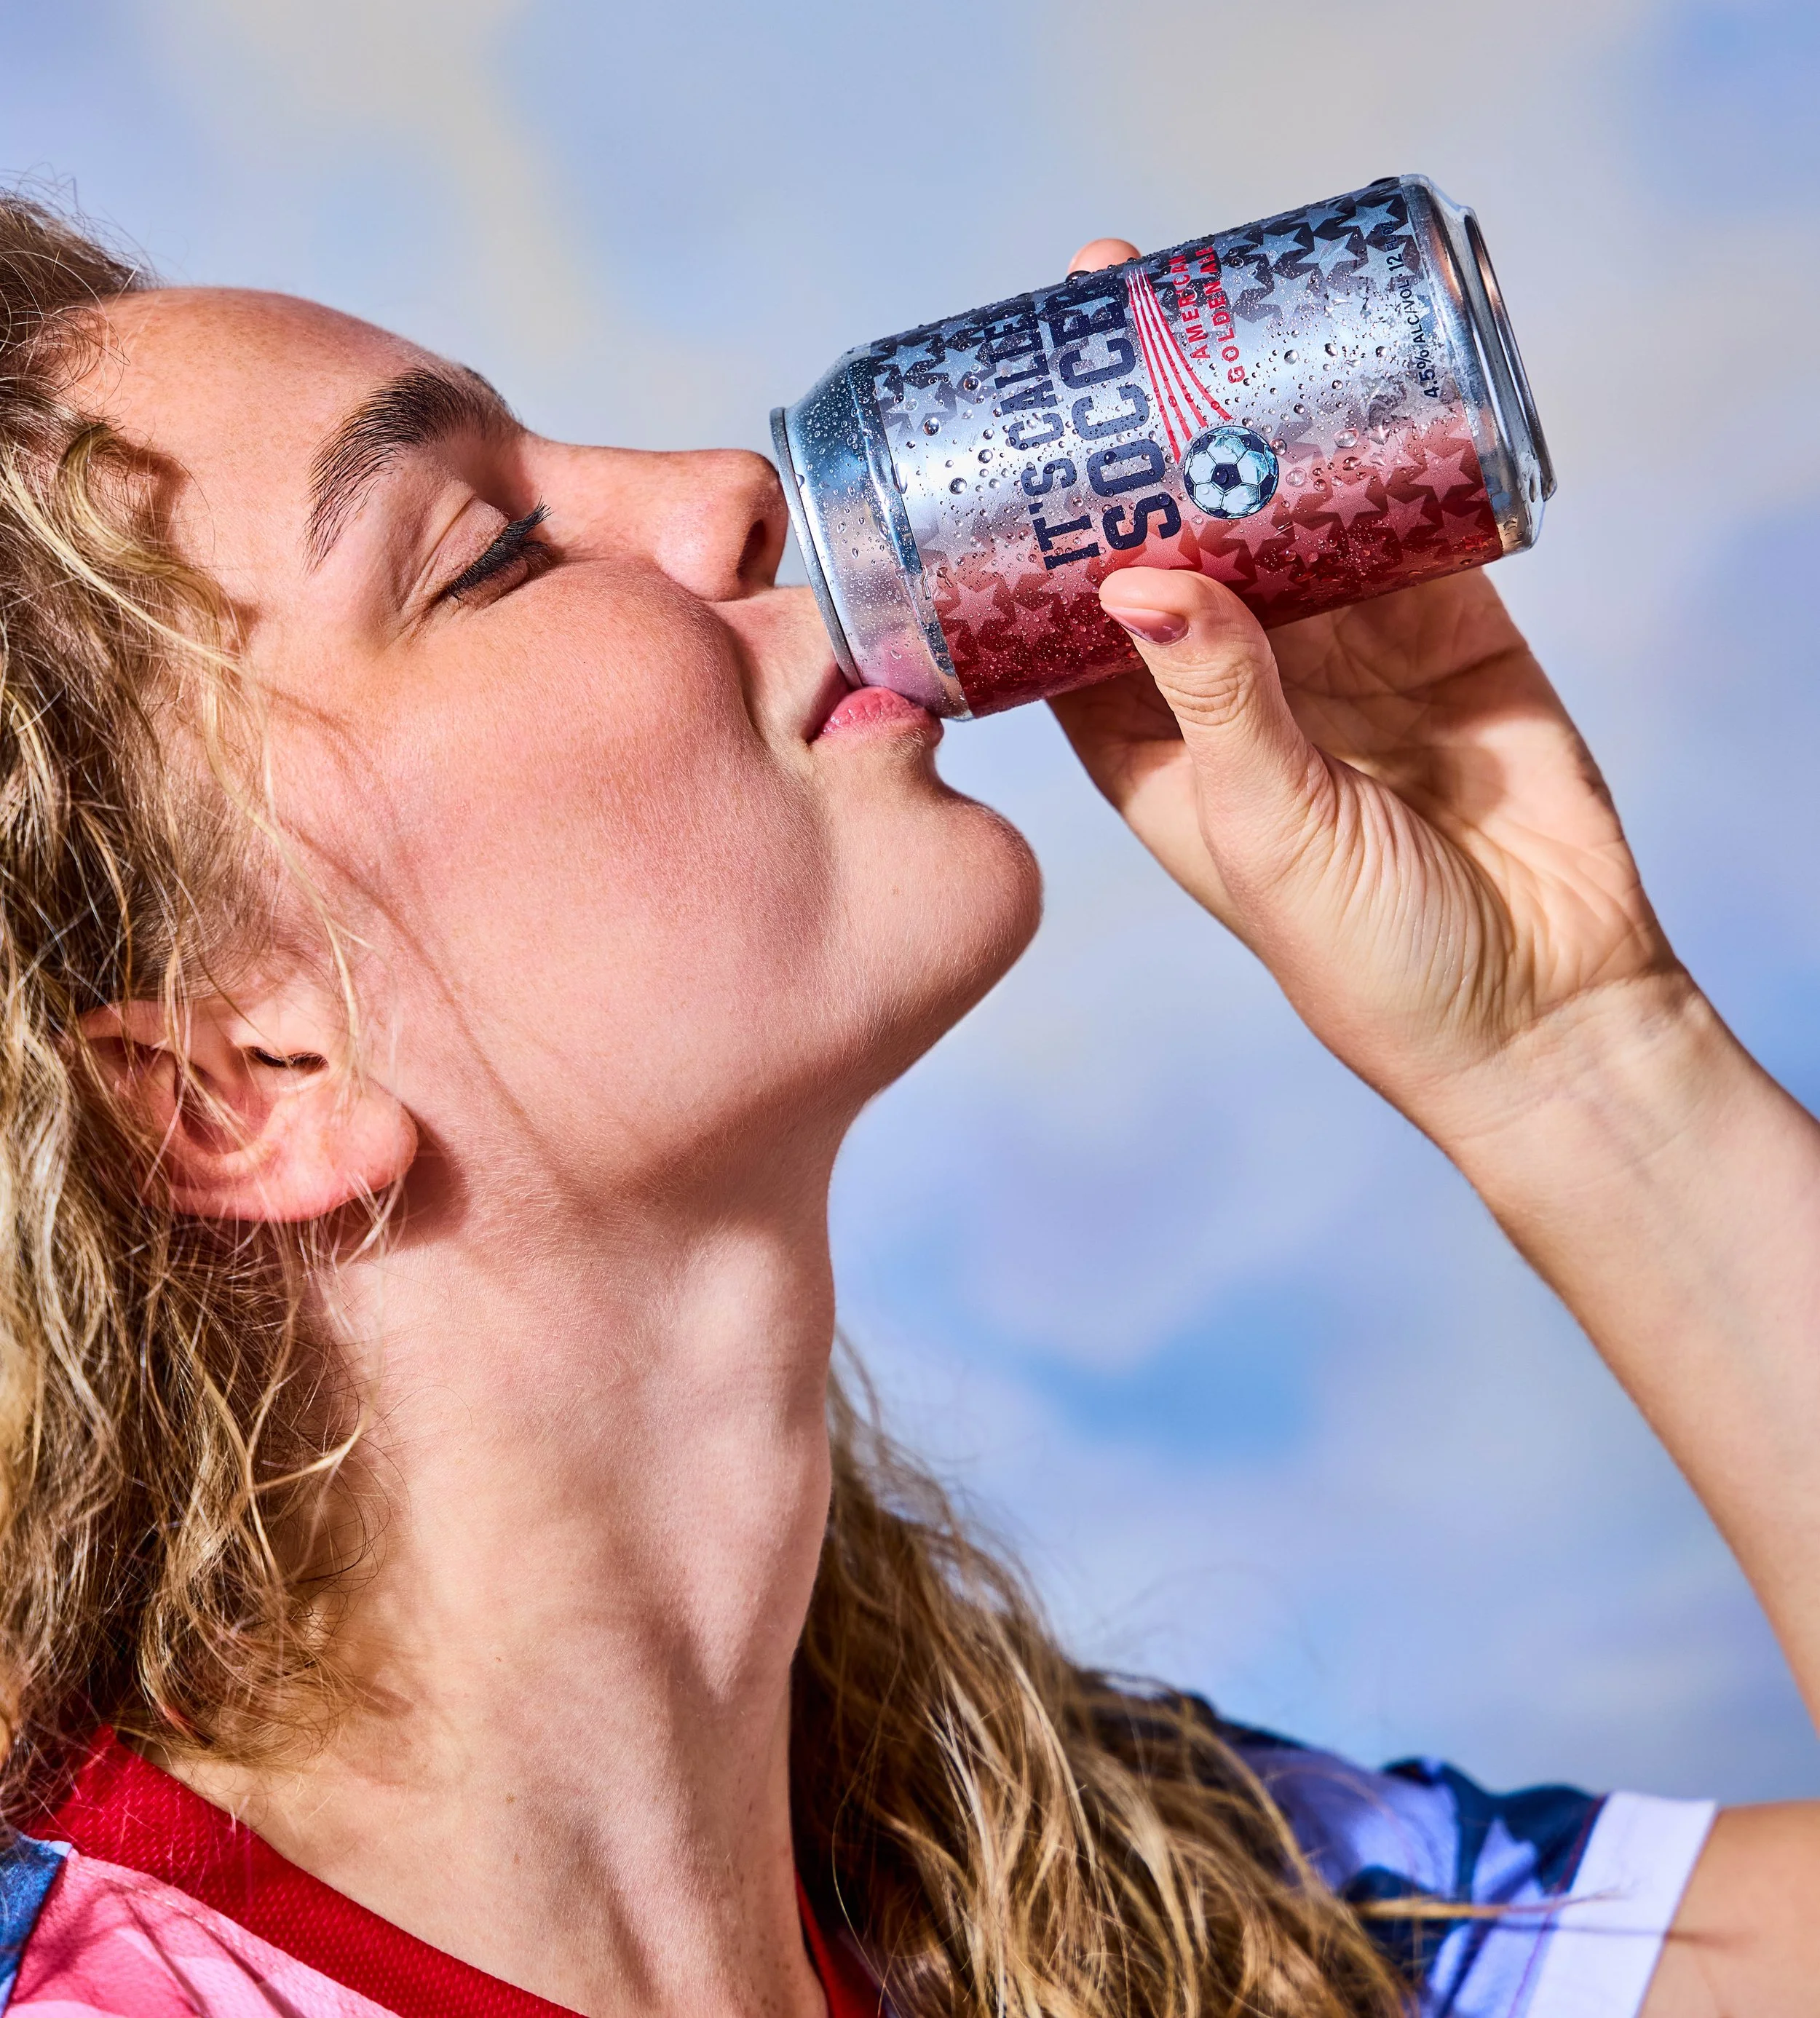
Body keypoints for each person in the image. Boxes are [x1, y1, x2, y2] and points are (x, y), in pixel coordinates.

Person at [0, 191, 1805, 2018]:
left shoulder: (1141, 1907)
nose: (726, 491)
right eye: (492, 550)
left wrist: (1581, 1055)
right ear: (245, 1083)